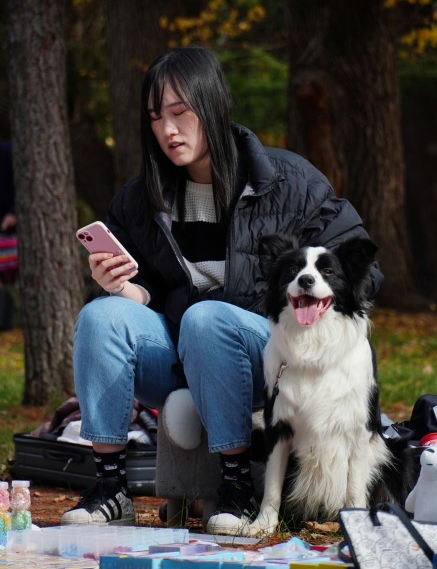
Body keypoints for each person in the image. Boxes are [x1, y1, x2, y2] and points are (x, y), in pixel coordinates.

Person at [61, 45, 383, 533]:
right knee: (99, 315)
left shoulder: (286, 181)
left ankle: (234, 485)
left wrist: (308, 312)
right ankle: (110, 487)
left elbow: (359, 265)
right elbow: (147, 287)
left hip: (264, 356)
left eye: (179, 113)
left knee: (206, 317)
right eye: (155, 117)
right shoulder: (143, 196)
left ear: (212, 106)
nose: (167, 130)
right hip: (181, 352)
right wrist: (123, 290)